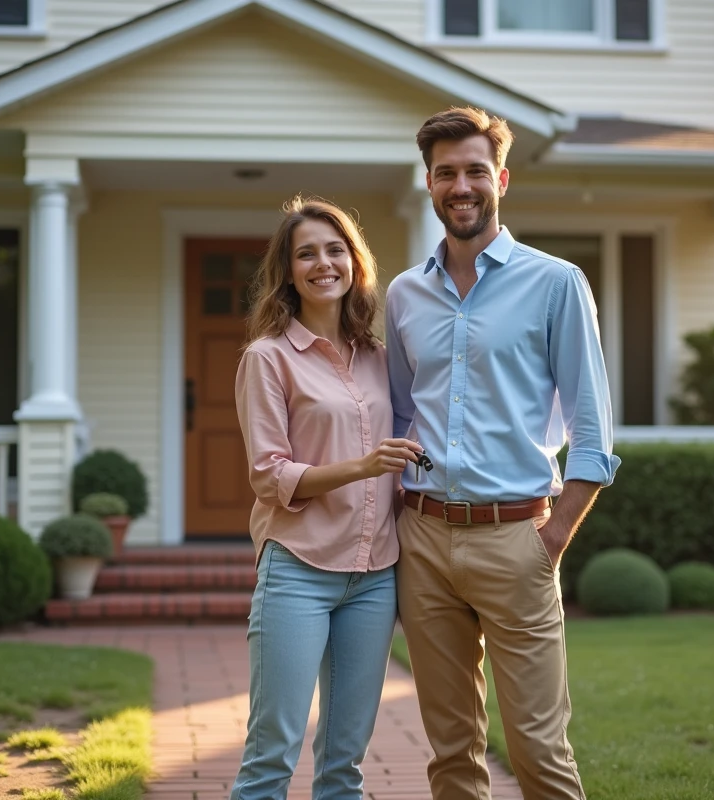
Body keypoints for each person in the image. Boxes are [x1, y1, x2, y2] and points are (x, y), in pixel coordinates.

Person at [385, 107, 621, 800]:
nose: (462, 186)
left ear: (502, 179)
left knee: (538, 750)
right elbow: (401, 413)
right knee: (451, 751)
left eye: (475, 171)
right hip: (423, 541)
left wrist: (552, 537)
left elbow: (593, 425)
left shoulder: (555, 283)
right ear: (428, 183)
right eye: (447, 173)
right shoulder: (404, 294)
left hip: (517, 535)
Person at [231, 196, 423, 800]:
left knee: (345, 763)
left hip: (374, 577)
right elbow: (270, 476)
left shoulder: (379, 358)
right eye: (305, 253)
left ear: (354, 262)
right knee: (271, 754)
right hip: (298, 570)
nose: (323, 263)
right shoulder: (267, 359)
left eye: (335, 250)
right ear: (287, 272)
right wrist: (362, 467)